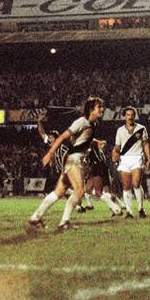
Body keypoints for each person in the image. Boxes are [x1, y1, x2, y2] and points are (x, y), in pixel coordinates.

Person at [29, 97, 108, 231]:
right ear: (91, 109)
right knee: (79, 191)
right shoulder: (81, 121)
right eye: (99, 107)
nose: (102, 109)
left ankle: (35, 217)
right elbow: (62, 137)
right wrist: (49, 154)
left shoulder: (92, 124)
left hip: (72, 160)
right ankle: (64, 222)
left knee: (59, 192)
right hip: (73, 160)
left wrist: (96, 142)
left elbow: (80, 138)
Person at [112, 106, 150, 218]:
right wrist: (114, 153)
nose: (130, 117)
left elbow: (146, 144)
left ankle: (141, 209)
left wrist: (149, 158)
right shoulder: (120, 130)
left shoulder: (141, 128)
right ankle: (129, 212)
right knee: (126, 186)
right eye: (128, 115)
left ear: (135, 116)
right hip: (124, 159)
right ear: (124, 116)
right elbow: (118, 146)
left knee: (136, 184)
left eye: (132, 115)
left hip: (137, 158)